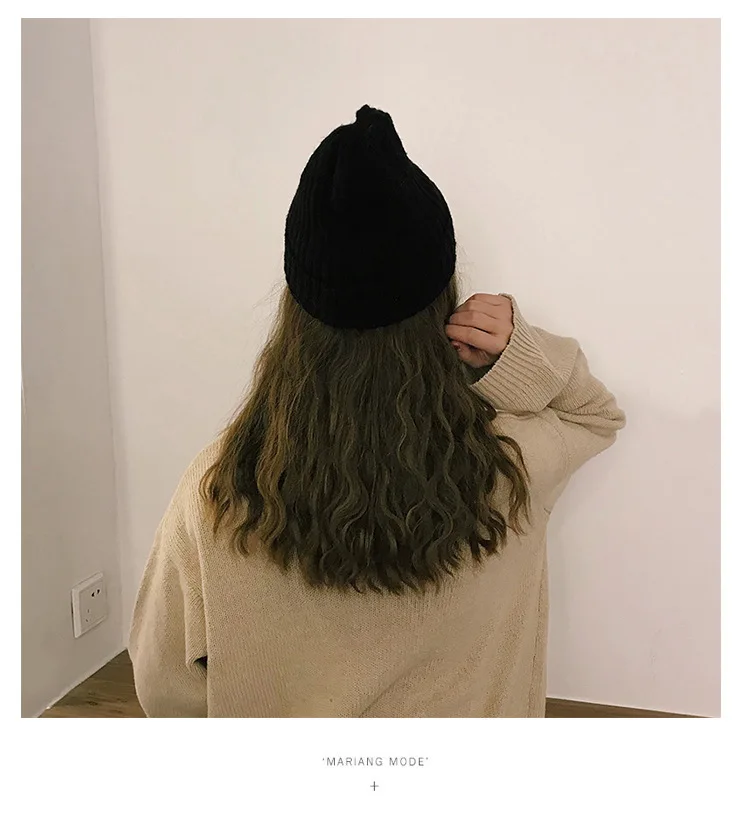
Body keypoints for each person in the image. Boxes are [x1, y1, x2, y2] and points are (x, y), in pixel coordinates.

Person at [129, 105, 626, 718]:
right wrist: (515, 350)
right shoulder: (512, 466)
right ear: (442, 303)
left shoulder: (217, 492)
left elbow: (164, 687)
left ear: (296, 310)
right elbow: (593, 415)